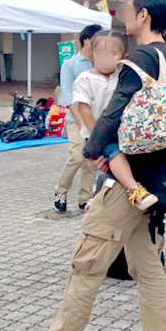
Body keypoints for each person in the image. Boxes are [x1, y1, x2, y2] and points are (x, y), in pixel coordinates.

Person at [13, 0, 166, 331]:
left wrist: (97, 150)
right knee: (147, 268)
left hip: (125, 185)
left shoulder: (138, 61)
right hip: (157, 183)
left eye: (127, 8)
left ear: (144, 15)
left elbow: (110, 117)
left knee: (86, 266)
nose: (122, 14)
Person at [72, 30, 157, 211]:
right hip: (100, 134)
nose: (105, 58)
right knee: (114, 154)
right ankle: (135, 190)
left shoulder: (123, 77)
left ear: (124, 56)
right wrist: (99, 135)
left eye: (112, 53)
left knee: (115, 166)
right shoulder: (85, 79)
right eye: (99, 52)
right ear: (91, 54)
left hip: (123, 132)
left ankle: (98, 196)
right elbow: (84, 110)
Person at [54, 23, 102, 213]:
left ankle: (85, 198)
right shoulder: (70, 65)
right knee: (76, 156)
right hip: (75, 119)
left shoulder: (99, 63)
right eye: (97, 39)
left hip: (95, 118)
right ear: (86, 40)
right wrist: (80, 119)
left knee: (91, 161)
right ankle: (60, 190)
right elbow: (68, 97)